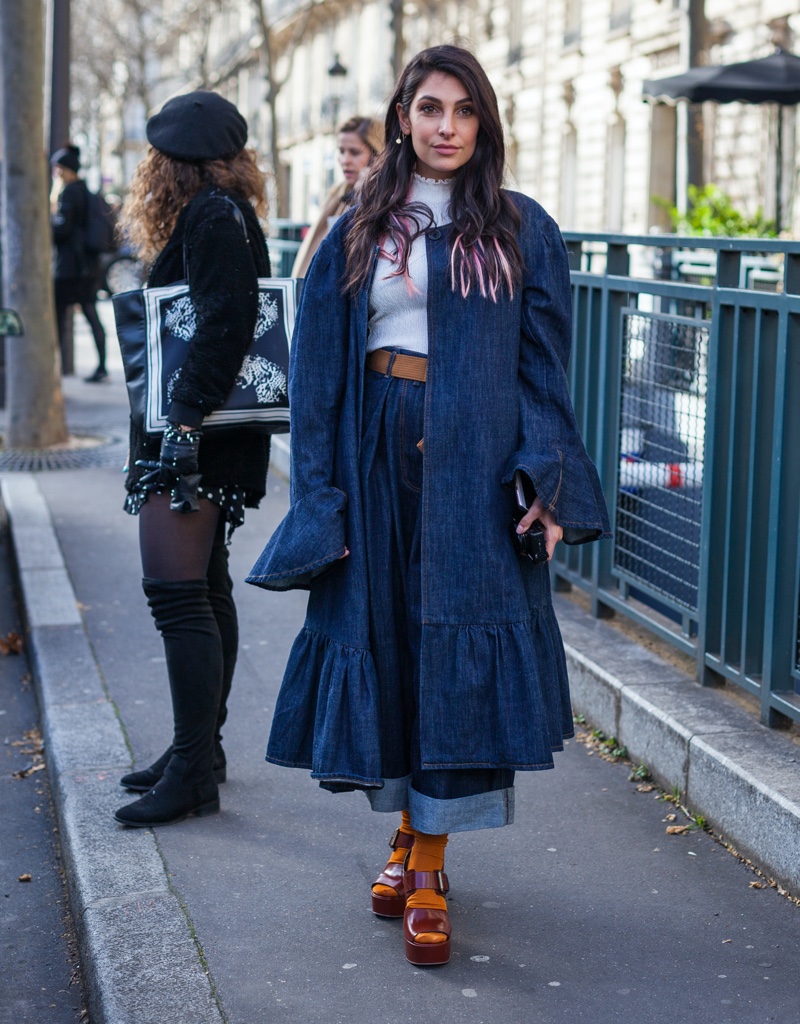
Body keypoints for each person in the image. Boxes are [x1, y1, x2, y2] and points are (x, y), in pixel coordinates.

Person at [247, 45, 610, 966]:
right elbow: (320, 373)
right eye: (429, 108)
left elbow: (543, 370)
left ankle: (429, 863)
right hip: (376, 452)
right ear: (402, 116)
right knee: (391, 643)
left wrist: (549, 479)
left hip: (476, 465)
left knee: (451, 647)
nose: (446, 126)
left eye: (464, 110)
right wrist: (320, 494)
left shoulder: (521, 228)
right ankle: (407, 835)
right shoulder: (359, 226)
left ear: (483, 124)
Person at [113, 91, 272, 828]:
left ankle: (193, 770)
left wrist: (180, 424)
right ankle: (197, 753)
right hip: (212, 431)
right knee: (205, 590)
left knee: (178, 595)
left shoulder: (209, 215)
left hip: (196, 435)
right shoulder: (227, 211)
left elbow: (226, 323)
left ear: (169, 164)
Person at [291, 115, 383, 278]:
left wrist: (367, 191)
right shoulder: (337, 193)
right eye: (341, 151)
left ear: (376, 155)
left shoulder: (381, 196)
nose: (345, 160)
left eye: (354, 153)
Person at [50, 145, 108, 382]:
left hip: (70, 268)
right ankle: (102, 366)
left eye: (58, 168)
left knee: (58, 318)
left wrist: (48, 226)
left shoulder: (69, 193)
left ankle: (56, 366)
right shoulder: (85, 191)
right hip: (87, 266)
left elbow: (62, 230)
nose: (56, 172)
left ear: (65, 170)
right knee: (91, 314)